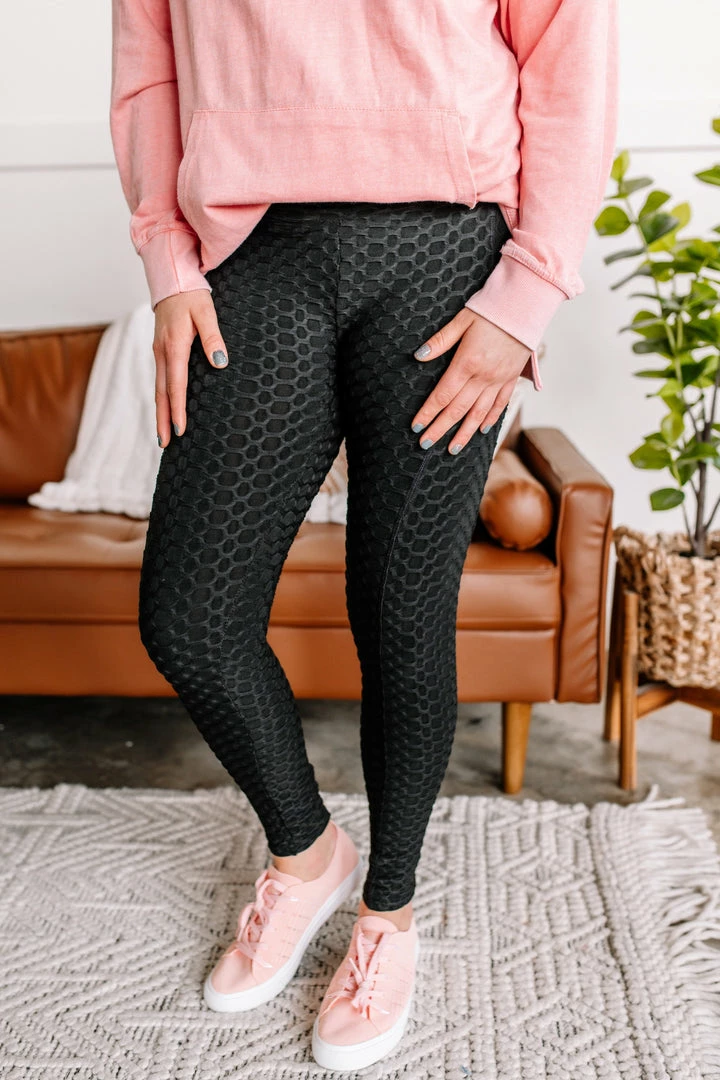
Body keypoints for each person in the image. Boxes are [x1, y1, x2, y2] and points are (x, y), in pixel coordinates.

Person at [109, 0, 619, 1070]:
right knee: (191, 619)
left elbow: (569, 52)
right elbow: (149, 57)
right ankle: (308, 856)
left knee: (400, 615)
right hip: (253, 249)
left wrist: (527, 295)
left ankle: (389, 915)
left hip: (449, 249)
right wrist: (166, 260)